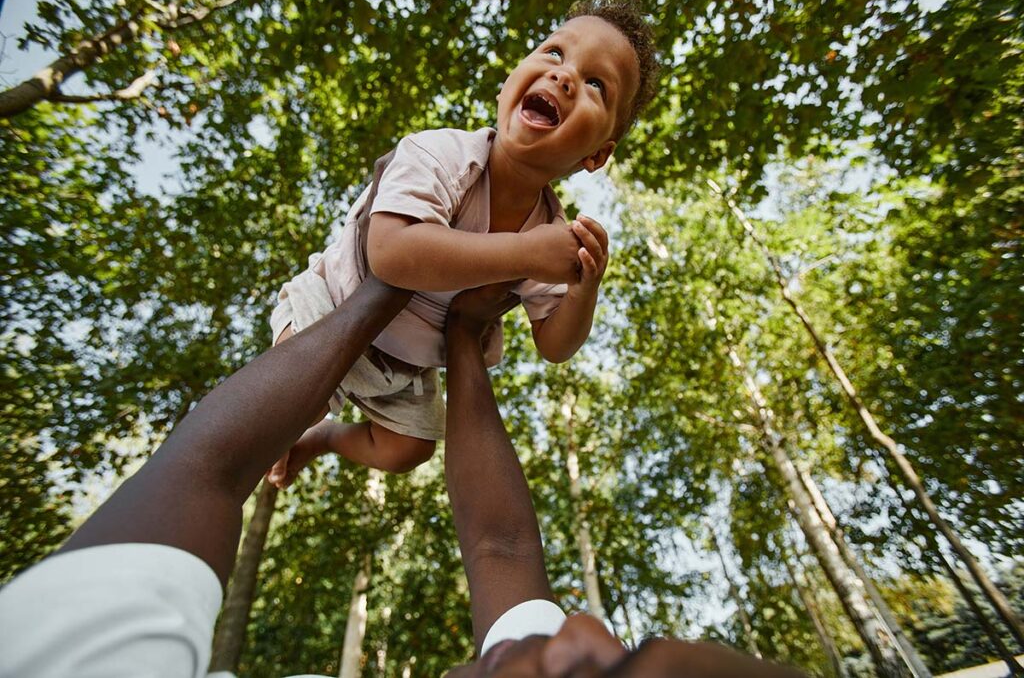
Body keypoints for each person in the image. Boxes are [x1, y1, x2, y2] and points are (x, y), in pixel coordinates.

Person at [0, 278, 806, 677]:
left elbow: (204, 470)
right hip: (387, 376)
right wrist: (461, 333)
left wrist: (376, 296)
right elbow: (500, 544)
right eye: (627, 650)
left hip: (349, 333)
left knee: (399, 446)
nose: (590, 630)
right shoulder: (541, 649)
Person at [264, 0, 661, 487]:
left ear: (597, 155)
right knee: (286, 400)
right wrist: (526, 253)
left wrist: (583, 289)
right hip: (328, 309)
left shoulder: (551, 231)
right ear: (509, 83)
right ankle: (285, 426)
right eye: (555, 53)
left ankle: (324, 438)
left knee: (408, 448)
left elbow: (555, 344)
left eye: (596, 83)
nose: (565, 76)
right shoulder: (445, 154)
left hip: (403, 370)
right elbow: (392, 253)